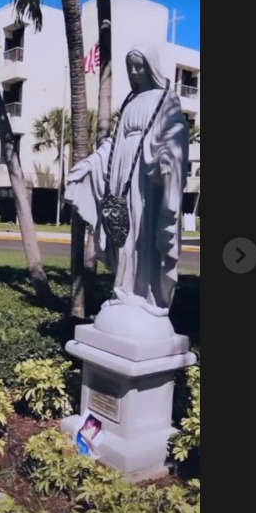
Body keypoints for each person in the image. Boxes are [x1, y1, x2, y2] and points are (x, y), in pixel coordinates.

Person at [65, 44, 190, 315]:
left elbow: (177, 130)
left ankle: (148, 294)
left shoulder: (165, 98)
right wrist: (90, 163)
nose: (134, 72)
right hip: (122, 173)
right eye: (130, 67)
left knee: (144, 229)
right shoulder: (130, 101)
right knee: (124, 231)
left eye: (139, 66)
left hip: (148, 175)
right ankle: (123, 290)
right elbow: (113, 143)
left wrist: (167, 155)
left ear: (151, 67)